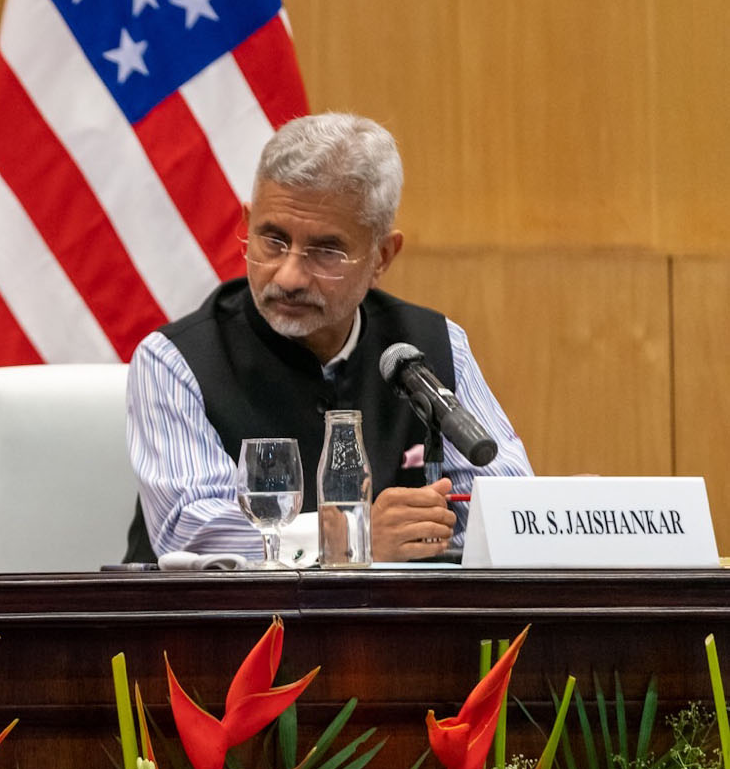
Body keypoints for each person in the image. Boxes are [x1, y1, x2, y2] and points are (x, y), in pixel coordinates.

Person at [125, 112, 532, 563]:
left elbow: (507, 510)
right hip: (225, 630)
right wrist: (350, 538)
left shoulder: (432, 345)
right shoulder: (176, 360)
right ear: (247, 222)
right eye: (273, 240)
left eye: (326, 251)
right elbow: (190, 530)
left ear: (381, 256)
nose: (290, 275)